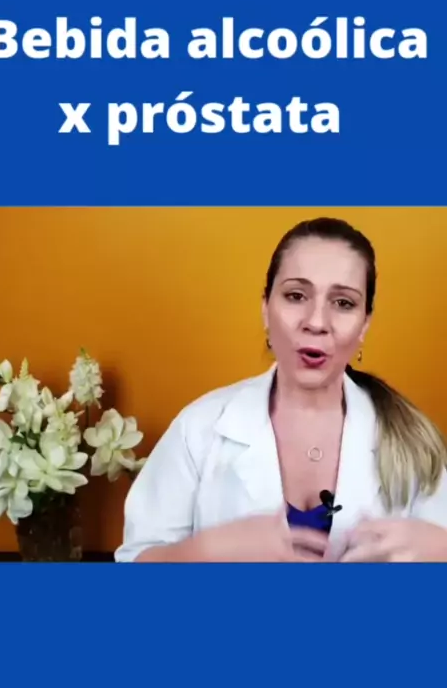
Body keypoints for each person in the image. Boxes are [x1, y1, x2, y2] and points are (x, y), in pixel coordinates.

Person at [114, 217, 447, 563]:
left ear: (364, 324)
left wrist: (441, 547)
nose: (316, 322)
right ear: (265, 309)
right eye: (296, 296)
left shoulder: (412, 440)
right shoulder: (198, 430)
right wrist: (206, 551)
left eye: (343, 303)